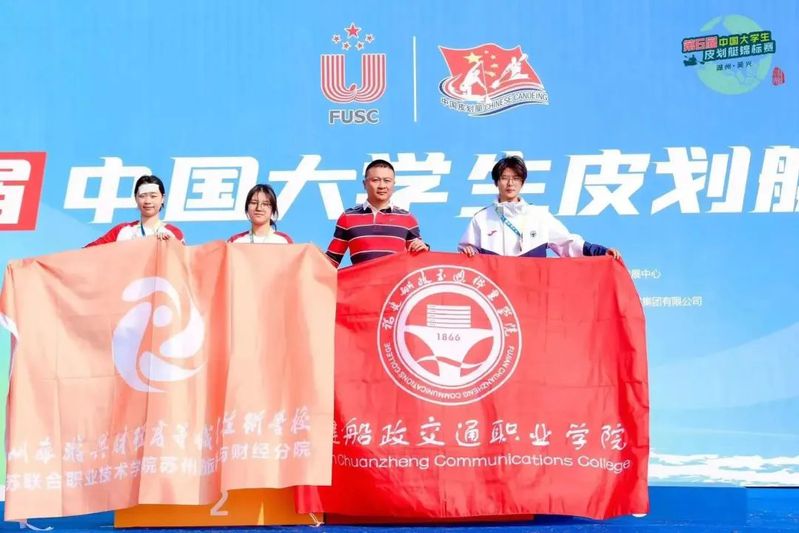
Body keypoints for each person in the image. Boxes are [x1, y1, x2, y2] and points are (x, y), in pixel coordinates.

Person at [459, 156, 620, 259]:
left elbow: (568, 243)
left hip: (531, 291)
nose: (510, 183)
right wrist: (468, 251)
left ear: (522, 182)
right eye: (504, 178)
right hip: (497, 293)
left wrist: (600, 252)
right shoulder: (482, 218)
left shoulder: (539, 216)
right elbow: (466, 255)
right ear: (496, 182)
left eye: (516, 178)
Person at [325, 159, 429, 267]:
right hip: (362, 278)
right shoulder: (348, 217)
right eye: (375, 180)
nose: (382, 186)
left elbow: (419, 259)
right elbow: (331, 261)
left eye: (387, 180)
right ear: (364, 184)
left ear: (393, 184)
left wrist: (424, 249)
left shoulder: (407, 218)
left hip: (396, 278)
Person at [85, 175, 184, 247]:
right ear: (136, 198)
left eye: (153, 196)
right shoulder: (122, 231)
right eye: (142, 196)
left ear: (162, 198)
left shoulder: (172, 233)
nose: (148, 201)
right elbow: (88, 251)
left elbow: (184, 262)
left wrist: (171, 244)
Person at [227, 184, 292, 244]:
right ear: (247, 208)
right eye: (254, 203)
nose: (259, 208)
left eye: (265, 204)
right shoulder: (235, 241)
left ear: (273, 209)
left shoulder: (283, 241)